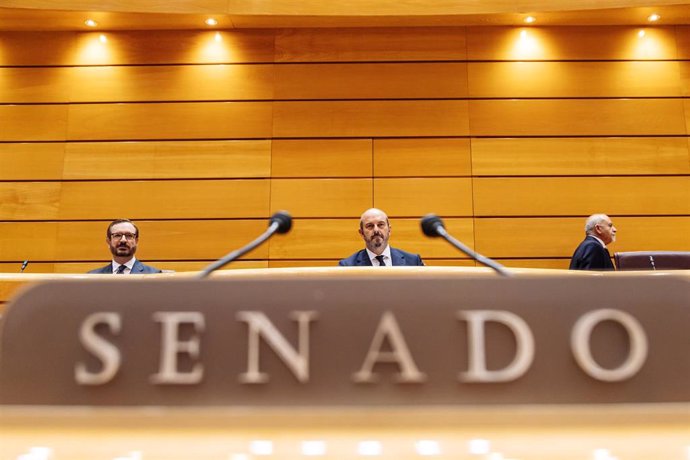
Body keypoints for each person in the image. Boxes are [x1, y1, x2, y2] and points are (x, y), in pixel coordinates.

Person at [339, 208, 424, 267]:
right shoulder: (347, 266)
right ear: (361, 233)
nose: (376, 230)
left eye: (380, 225)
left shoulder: (413, 262)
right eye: (370, 226)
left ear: (389, 230)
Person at [88, 219, 162, 274]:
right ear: (108, 241)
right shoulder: (92, 277)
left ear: (136, 241)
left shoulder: (155, 275)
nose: (123, 240)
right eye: (117, 235)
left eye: (129, 236)